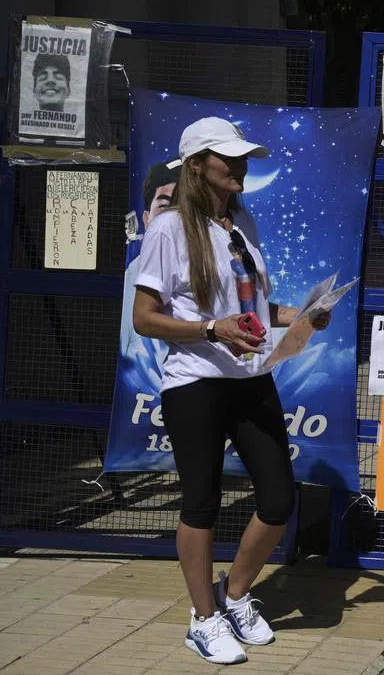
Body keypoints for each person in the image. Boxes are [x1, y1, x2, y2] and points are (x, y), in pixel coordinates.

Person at [131, 116, 331, 665]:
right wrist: (208, 329)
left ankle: (235, 595)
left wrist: (302, 316)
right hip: (195, 383)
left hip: (251, 378)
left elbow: (253, 312)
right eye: (229, 158)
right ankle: (203, 618)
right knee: (201, 504)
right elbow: (144, 317)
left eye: (243, 158)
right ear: (198, 165)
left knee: (278, 497)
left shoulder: (242, 220)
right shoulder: (169, 228)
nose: (241, 166)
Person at [120, 159, 183, 358]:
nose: (176, 217)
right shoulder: (136, 272)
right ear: (146, 220)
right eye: (165, 207)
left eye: (184, 206)